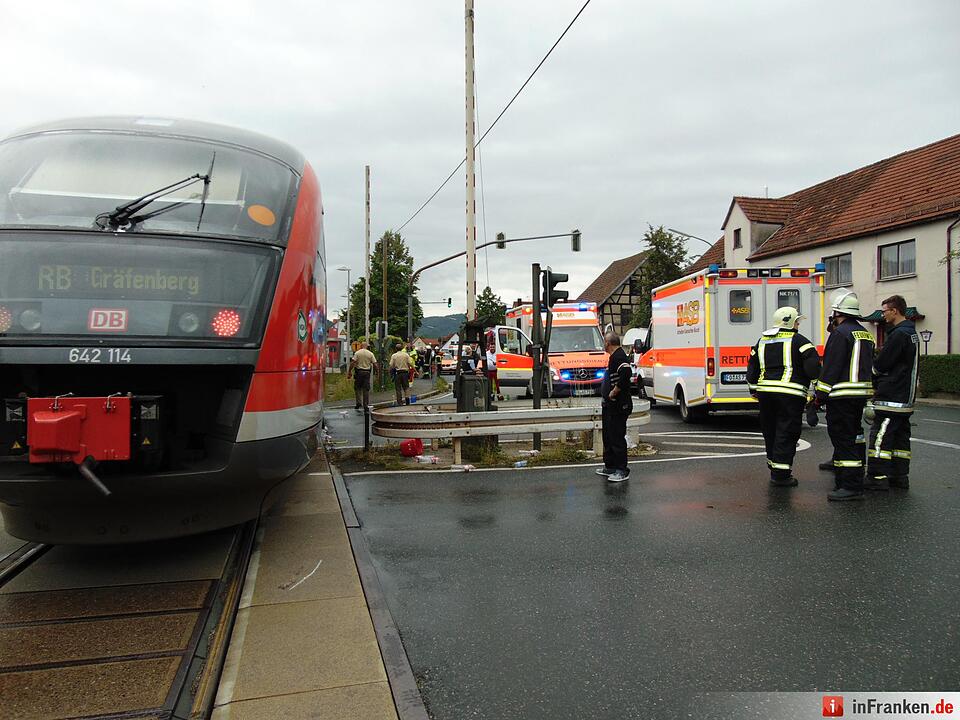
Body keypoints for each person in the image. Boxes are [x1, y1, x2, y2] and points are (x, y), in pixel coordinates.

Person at [746, 306, 822, 487]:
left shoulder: (762, 341)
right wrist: (818, 390)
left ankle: (774, 466)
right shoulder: (801, 342)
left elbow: (752, 369)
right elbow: (813, 369)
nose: (798, 324)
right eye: (797, 321)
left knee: (770, 430)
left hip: (765, 394)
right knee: (786, 432)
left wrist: (753, 389)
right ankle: (781, 474)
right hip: (791, 394)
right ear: (792, 322)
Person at [813, 290, 876, 501]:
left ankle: (850, 486)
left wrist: (819, 396)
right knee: (855, 436)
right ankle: (853, 478)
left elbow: (831, 367)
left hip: (841, 396)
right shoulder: (865, 333)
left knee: (843, 440)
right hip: (860, 395)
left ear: (837, 312)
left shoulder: (840, 335)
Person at [865, 295, 920, 491]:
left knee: (881, 437)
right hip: (905, 398)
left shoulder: (898, 335)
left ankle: (877, 477)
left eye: (885, 311)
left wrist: (872, 373)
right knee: (900, 441)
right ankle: (899, 477)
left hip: (892, 398)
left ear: (895, 311)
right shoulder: (911, 333)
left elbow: (882, 363)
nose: (883, 314)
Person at [595, 331, 633, 482]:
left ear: (607, 343)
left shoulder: (619, 356)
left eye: (604, 342)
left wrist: (614, 391)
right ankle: (610, 466)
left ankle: (622, 470)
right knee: (609, 436)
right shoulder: (614, 357)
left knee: (617, 437)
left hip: (619, 405)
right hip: (610, 406)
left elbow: (626, 372)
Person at [346, 342, 378, 411]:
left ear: (361, 346)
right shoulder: (370, 354)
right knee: (366, 389)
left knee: (357, 387)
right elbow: (375, 364)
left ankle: (358, 402)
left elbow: (353, 362)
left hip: (359, 372)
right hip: (367, 373)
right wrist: (377, 373)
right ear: (366, 346)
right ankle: (365, 405)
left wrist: (349, 371)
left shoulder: (357, 353)